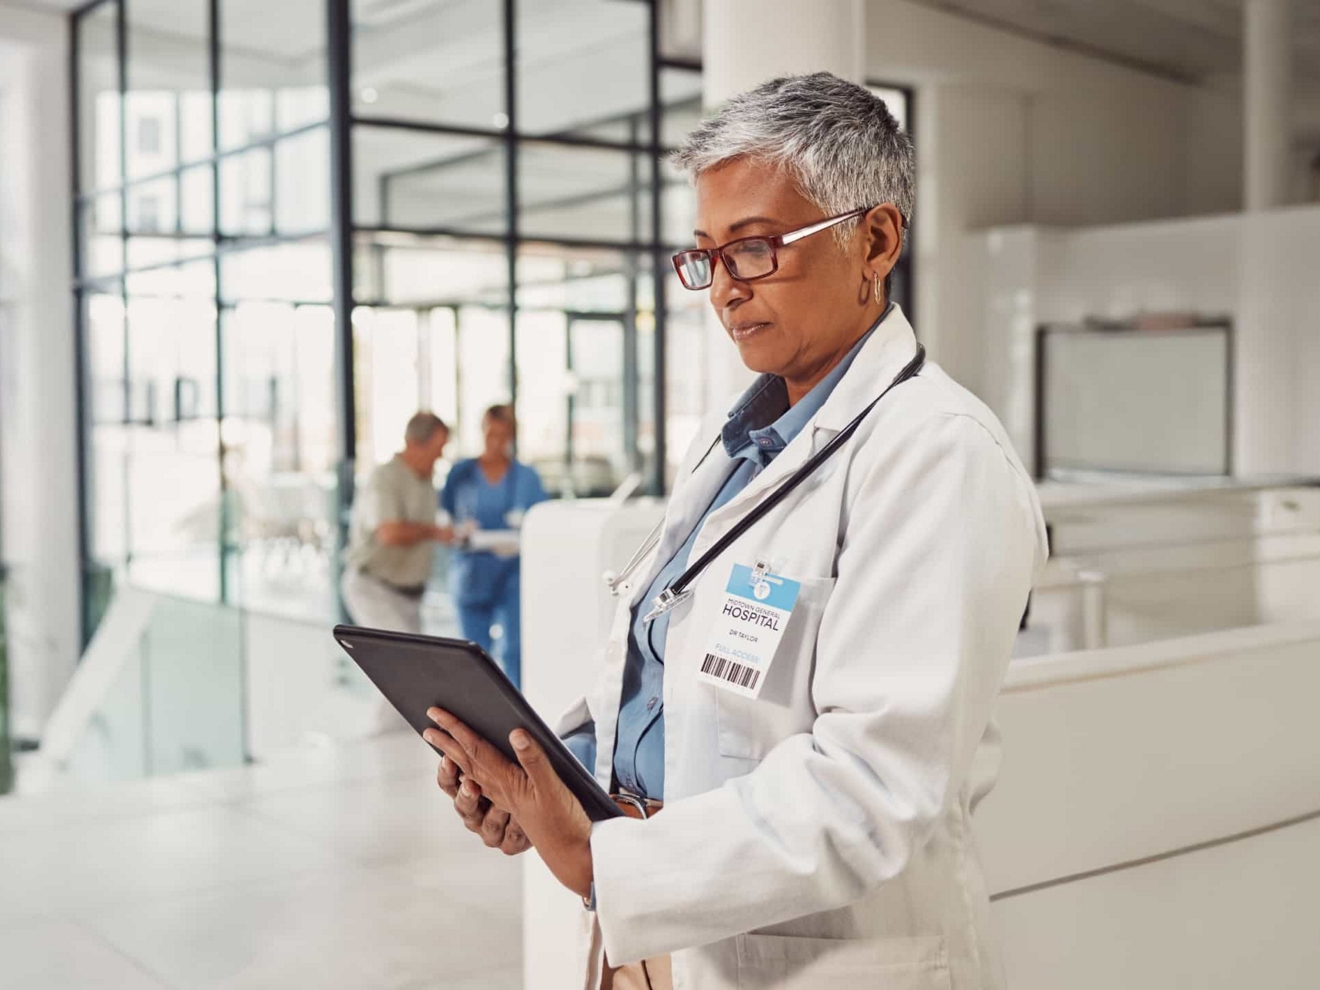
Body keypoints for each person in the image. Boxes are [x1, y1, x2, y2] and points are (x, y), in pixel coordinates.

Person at [421, 73, 1048, 990]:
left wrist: (603, 861)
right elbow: (679, 682)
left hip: (820, 956)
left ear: (874, 239)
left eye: (755, 250)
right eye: (707, 256)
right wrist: (544, 781)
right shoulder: (740, 445)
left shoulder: (936, 456)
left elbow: (876, 787)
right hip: (657, 932)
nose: (723, 290)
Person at [440, 404, 548, 689]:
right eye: (491, 433)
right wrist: (457, 533)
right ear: (482, 431)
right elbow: (444, 519)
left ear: (512, 435)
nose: (497, 441)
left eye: (504, 434)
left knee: (516, 649)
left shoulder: (527, 477)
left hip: (513, 574)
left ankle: (518, 713)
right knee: (474, 653)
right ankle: (478, 713)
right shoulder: (460, 473)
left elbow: (542, 523)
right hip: (471, 574)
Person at [341, 411, 452, 635]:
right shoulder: (384, 478)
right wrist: (435, 532)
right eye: (436, 448)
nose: (440, 456)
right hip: (374, 589)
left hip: (409, 597)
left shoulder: (426, 478)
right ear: (413, 444)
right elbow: (389, 533)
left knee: (412, 664)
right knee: (401, 664)